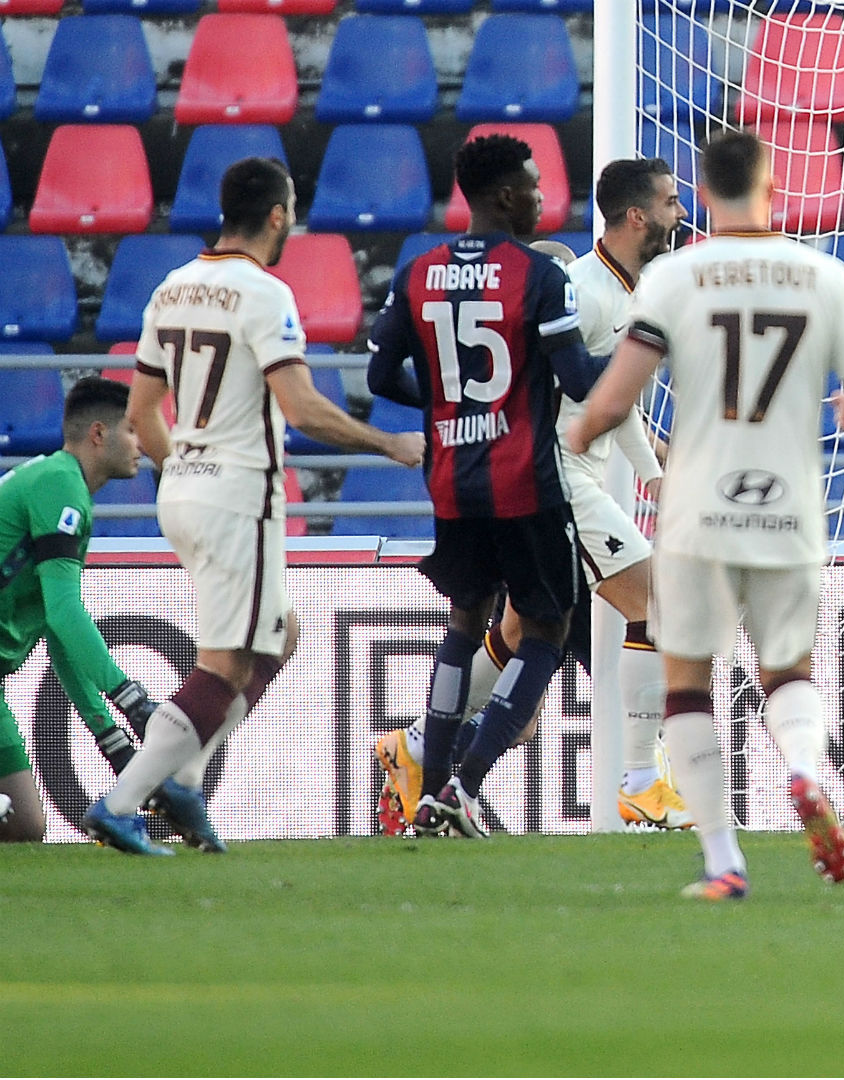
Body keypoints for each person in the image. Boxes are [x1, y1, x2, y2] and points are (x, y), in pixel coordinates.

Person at [568, 129, 844, 900]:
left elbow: (615, 396)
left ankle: (723, 860)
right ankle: (808, 774)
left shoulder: (676, 278)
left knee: (688, 685)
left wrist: (580, 432)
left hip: (696, 509)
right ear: (771, 184)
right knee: (788, 672)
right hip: (787, 506)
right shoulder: (823, 275)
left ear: (704, 196)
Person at [85, 157, 424, 856]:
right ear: (278, 214)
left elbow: (142, 412)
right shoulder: (263, 294)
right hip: (238, 496)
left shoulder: (172, 288)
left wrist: (184, 465)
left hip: (182, 489)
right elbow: (301, 406)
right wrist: (388, 442)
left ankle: (188, 778)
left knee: (281, 635)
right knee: (224, 665)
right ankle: (123, 802)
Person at [375, 166, 692, 832]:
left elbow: (614, 399)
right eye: (669, 202)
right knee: (656, 604)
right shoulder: (584, 288)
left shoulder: (624, 288)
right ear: (635, 218)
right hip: (558, 478)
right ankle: (640, 780)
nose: (680, 213)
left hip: (560, 474)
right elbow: (583, 389)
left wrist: (651, 471)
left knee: (516, 632)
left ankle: (412, 750)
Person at [367, 133, 601, 839]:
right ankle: (466, 784)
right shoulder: (539, 276)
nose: (541, 197)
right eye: (533, 185)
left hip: (452, 484)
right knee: (549, 626)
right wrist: (647, 345)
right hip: (524, 482)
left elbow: (379, 379)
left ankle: (429, 789)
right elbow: (582, 384)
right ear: (505, 195)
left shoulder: (417, 272)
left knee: (465, 625)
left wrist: (448, 408)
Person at [0, 378, 162, 841]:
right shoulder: (59, 486)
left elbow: (61, 632)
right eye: (133, 431)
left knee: (25, 826)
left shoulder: (65, 488)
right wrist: (132, 698)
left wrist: (110, 737)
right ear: (98, 434)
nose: (143, 444)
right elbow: (67, 613)